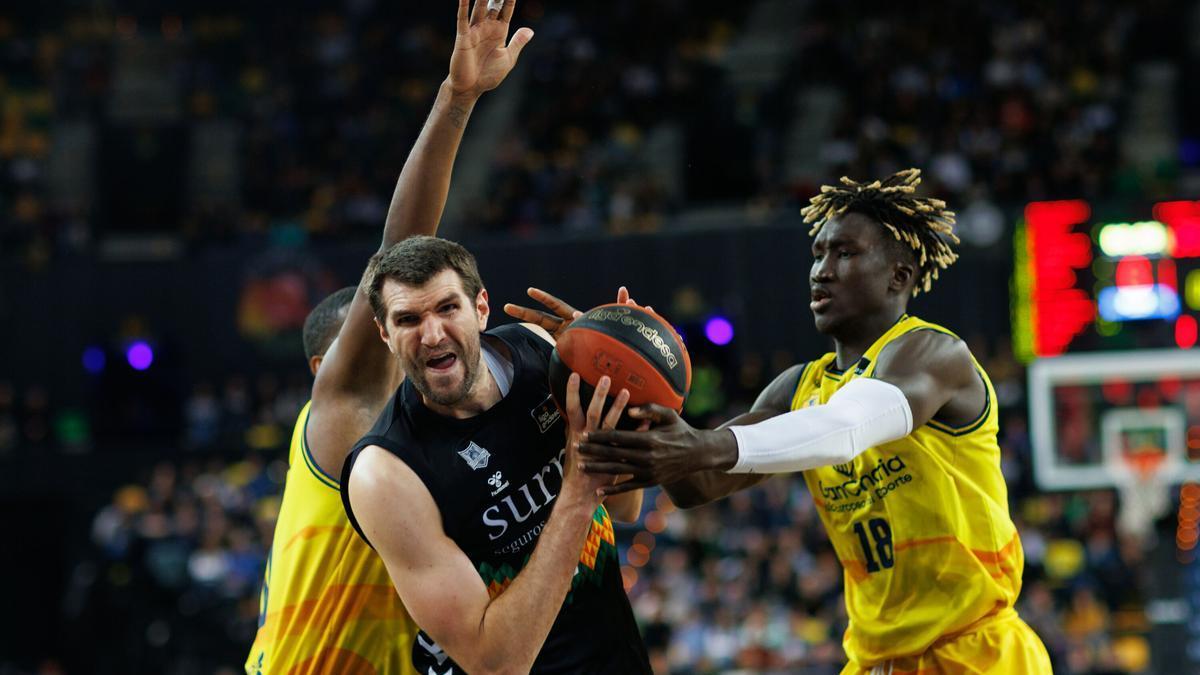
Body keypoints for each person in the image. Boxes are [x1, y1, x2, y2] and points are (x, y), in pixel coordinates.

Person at [529, 169, 1053, 673]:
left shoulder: (934, 354)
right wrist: (622, 385)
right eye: (818, 253)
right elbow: (696, 482)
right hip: (877, 659)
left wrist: (702, 446)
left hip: (977, 653)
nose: (821, 269)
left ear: (900, 276)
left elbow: (846, 428)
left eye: (845, 253)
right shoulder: (800, 387)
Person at [246, 2, 534, 672]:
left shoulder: (430, 439)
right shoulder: (342, 414)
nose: (420, 342)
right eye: (394, 329)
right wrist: (458, 100)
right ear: (331, 366)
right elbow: (398, 249)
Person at [340, 236, 653, 674]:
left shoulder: (539, 350)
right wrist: (579, 491)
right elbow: (496, 666)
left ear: (481, 308)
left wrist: (623, 388)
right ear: (385, 334)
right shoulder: (384, 473)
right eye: (408, 319)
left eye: (448, 308)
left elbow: (624, 505)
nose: (432, 335)